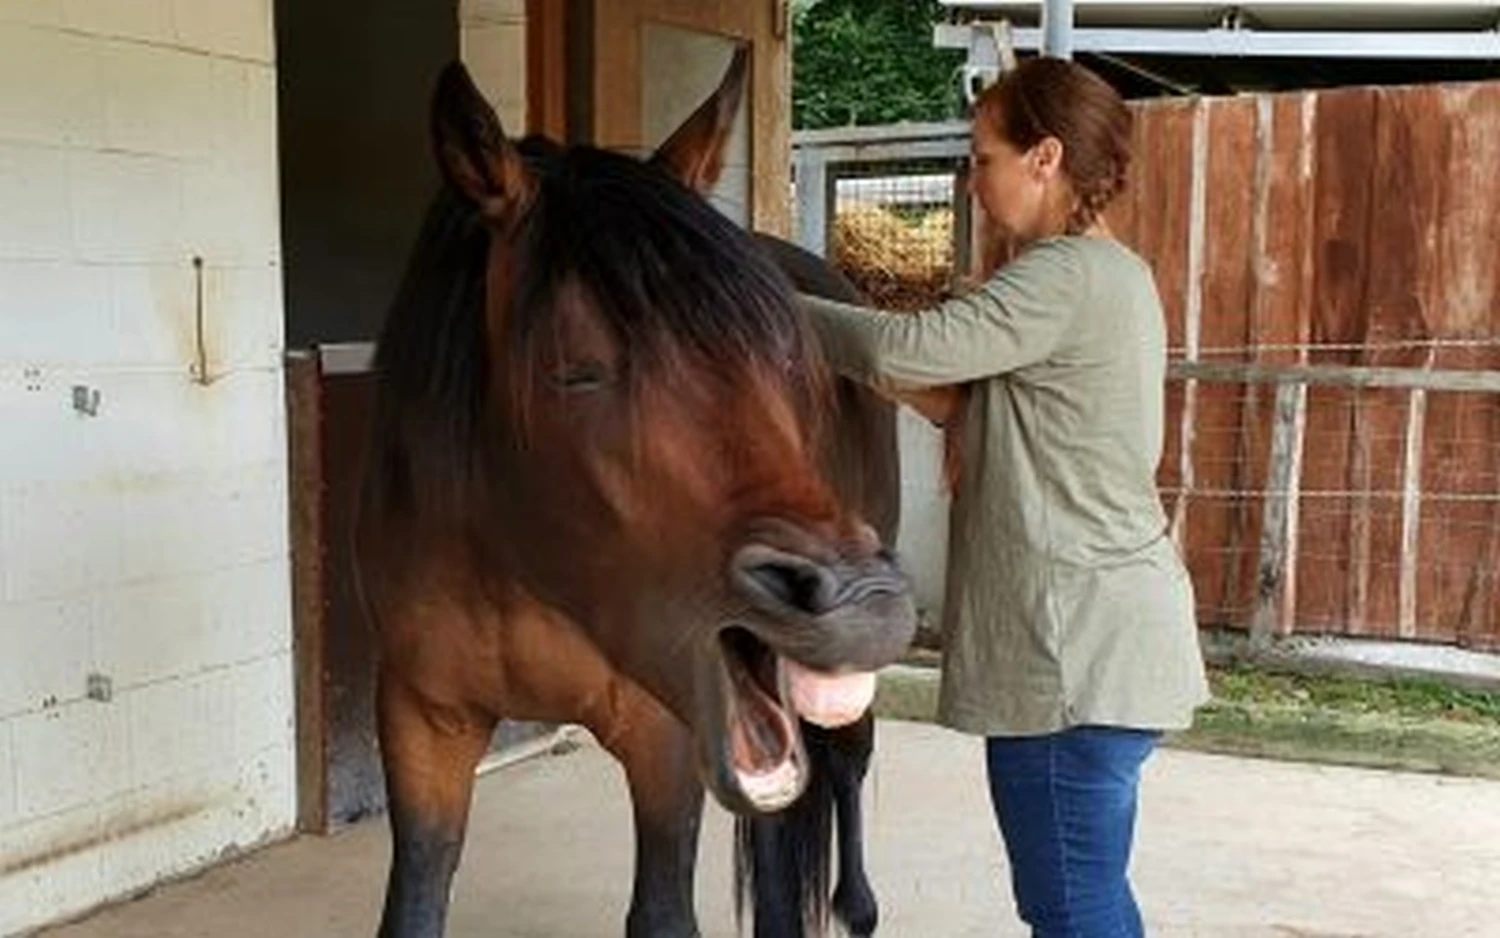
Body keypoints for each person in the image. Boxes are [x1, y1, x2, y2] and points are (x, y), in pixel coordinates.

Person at [798, 57, 1211, 937]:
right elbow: (956, 397)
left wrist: (764, 302)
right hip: (1109, 648)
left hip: (1073, 660)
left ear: (1046, 157)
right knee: (1087, 896)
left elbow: (902, 350)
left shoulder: (1062, 277)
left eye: (984, 157)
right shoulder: (1113, 278)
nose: (973, 179)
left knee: (1070, 907)